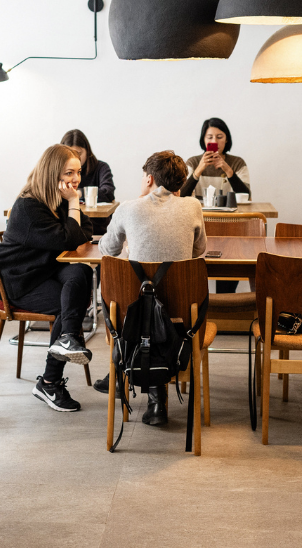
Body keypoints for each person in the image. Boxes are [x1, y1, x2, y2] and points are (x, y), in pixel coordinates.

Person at [97, 150, 206, 425]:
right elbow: (199, 251)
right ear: (180, 183)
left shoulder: (128, 207)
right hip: (181, 319)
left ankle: (123, 373)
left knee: (139, 301)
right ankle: (155, 400)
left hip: (133, 319)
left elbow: (107, 249)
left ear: (149, 179)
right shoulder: (193, 206)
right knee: (161, 304)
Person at [0, 144, 94, 413]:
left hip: (44, 269)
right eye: (69, 172)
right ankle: (49, 382)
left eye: (78, 172)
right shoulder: (29, 206)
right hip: (20, 280)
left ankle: (68, 337)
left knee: (82, 271)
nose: (76, 179)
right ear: (52, 173)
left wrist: (71, 209)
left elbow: (85, 228)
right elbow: (69, 238)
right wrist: (73, 203)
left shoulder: (56, 199)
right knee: (69, 303)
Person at [180, 117, 250, 294]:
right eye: (210, 137)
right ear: (203, 140)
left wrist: (228, 170)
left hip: (230, 226)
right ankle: (198, 303)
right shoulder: (193, 162)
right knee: (194, 270)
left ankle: (224, 302)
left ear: (227, 139)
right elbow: (180, 196)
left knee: (227, 269)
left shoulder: (237, 163)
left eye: (219, 137)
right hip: (201, 225)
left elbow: (246, 196)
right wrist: (199, 170)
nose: (215, 142)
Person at [60, 129, 115, 236]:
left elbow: (108, 192)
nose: (75, 158)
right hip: (67, 227)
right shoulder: (58, 171)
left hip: (97, 227)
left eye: (78, 153)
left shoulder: (101, 167)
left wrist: (78, 193)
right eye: (69, 173)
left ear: (88, 151)